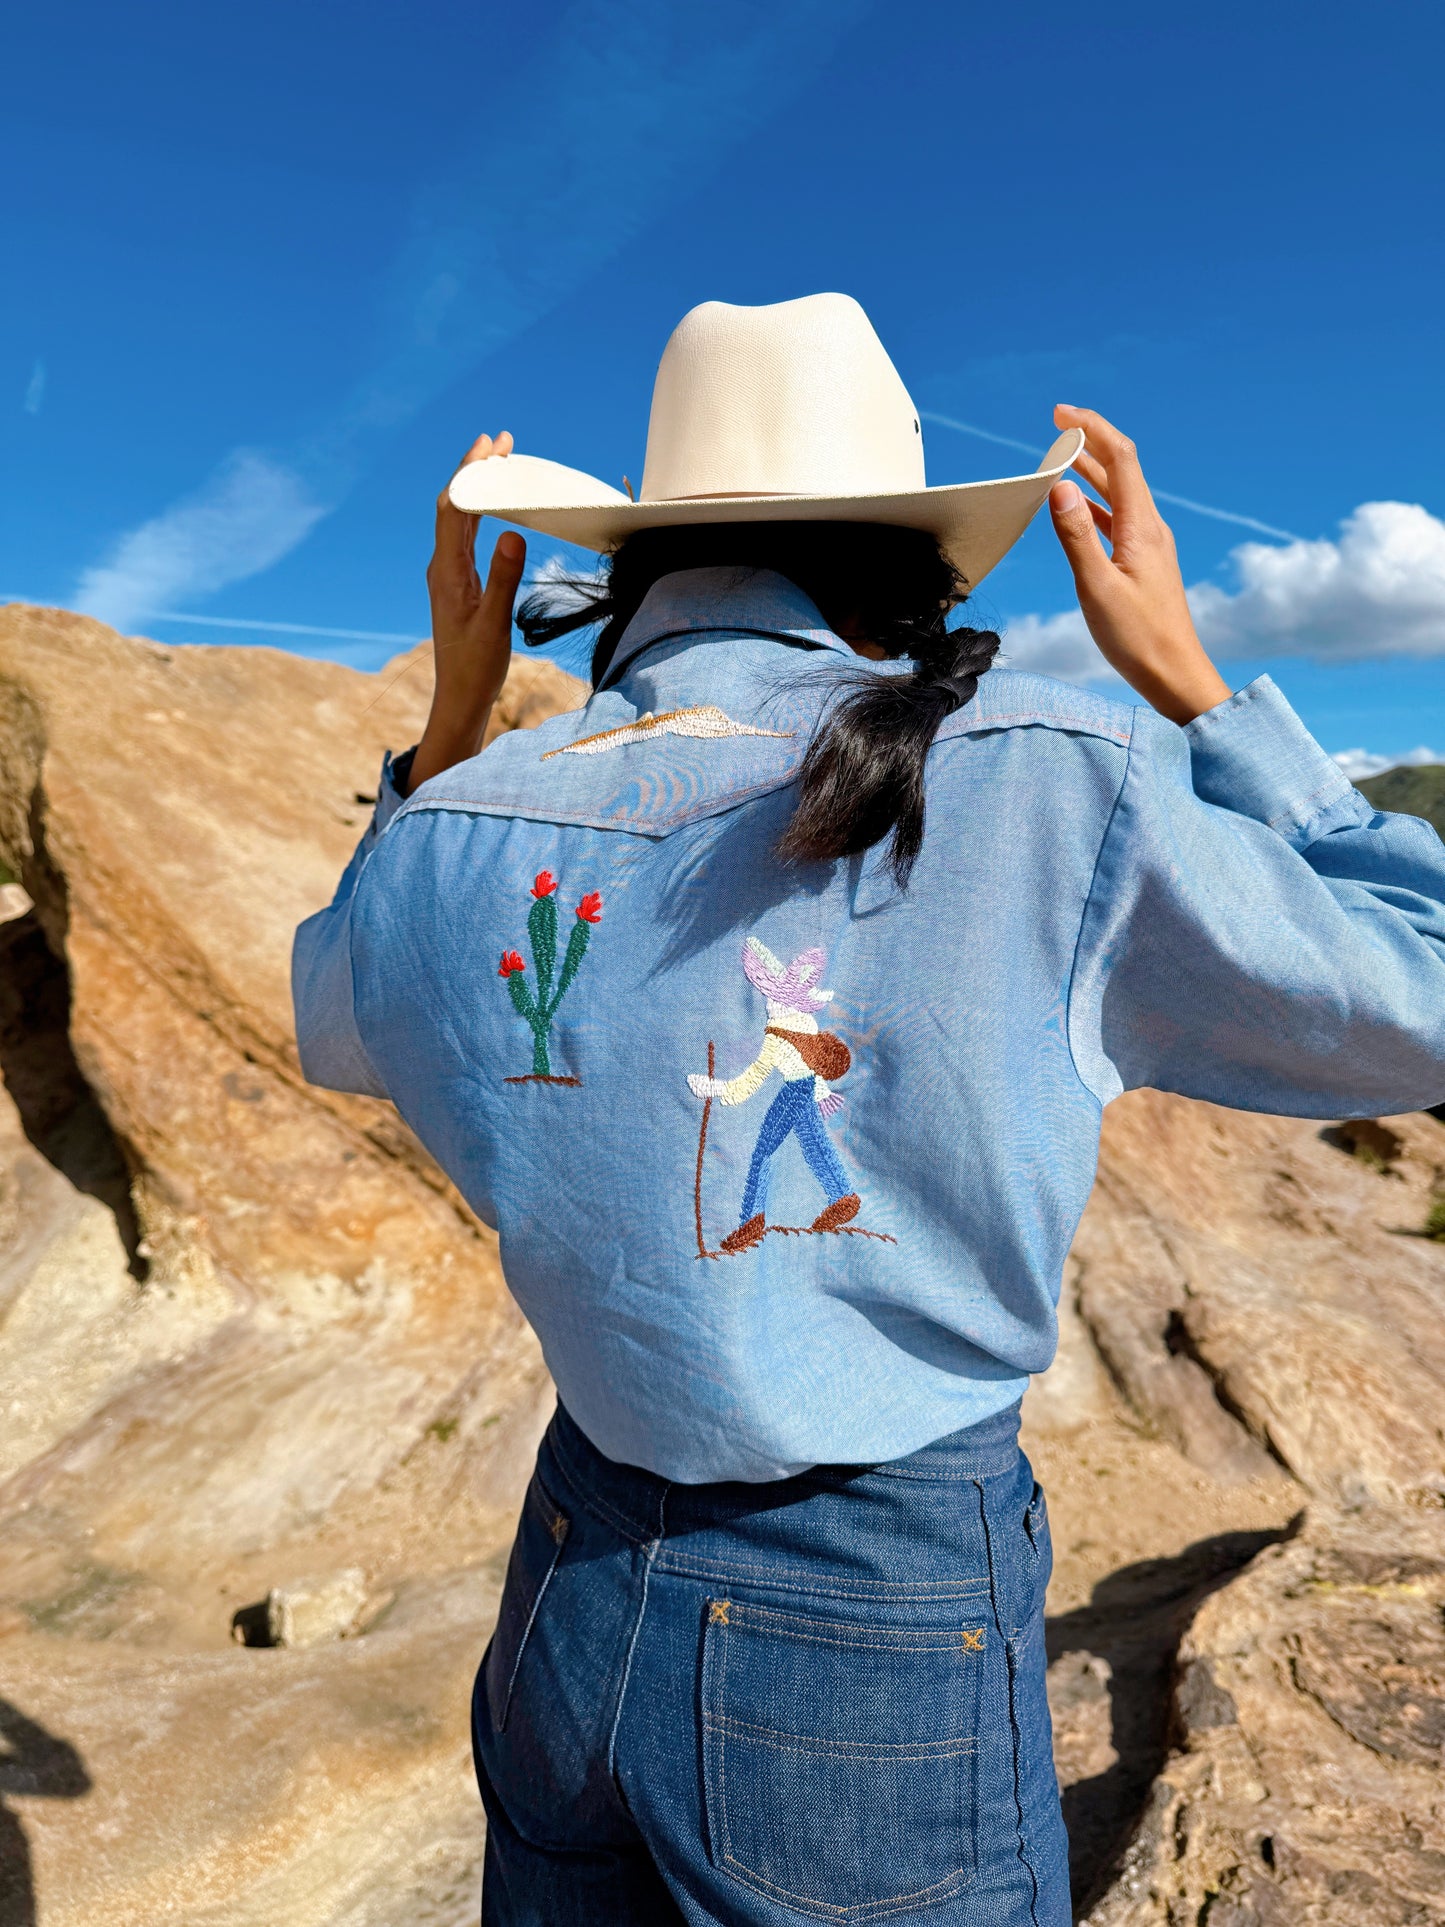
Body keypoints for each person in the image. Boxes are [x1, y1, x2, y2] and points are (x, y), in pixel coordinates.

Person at [292, 295, 1445, 1926]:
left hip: (568, 1562)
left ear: (625, 565)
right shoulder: (1053, 771)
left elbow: (331, 1015)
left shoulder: (455, 828)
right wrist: (1194, 689)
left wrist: (449, 732)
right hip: (873, 1590)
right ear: (910, 567)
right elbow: (1427, 1007)